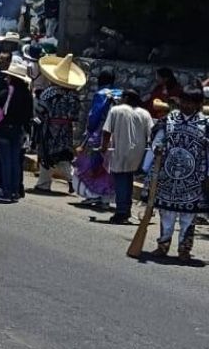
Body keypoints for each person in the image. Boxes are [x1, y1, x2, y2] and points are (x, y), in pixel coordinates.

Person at [148, 87, 209, 260]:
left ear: (199, 104)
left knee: (188, 217)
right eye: (183, 101)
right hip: (168, 177)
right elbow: (158, 138)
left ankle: (184, 249)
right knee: (166, 214)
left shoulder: (206, 124)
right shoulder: (170, 119)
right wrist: (157, 148)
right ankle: (163, 245)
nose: (185, 105)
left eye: (190, 102)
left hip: (193, 180)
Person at [33, 55, 86, 194]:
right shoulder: (74, 96)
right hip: (66, 129)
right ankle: (72, 181)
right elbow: (76, 115)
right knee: (64, 156)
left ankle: (44, 183)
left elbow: (40, 109)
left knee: (46, 155)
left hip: (50, 128)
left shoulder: (50, 92)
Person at [100, 90, 154, 224]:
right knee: (128, 180)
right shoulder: (144, 113)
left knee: (121, 180)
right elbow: (152, 134)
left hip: (121, 151)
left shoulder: (116, 110)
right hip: (138, 154)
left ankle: (122, 212)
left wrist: (103, 147)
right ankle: (125, 209)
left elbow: (107, 131)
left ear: (126, 98)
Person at [73, 71, 122, 207]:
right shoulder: (120, 94)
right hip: (118, 135)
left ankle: (94, 194)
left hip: (100, 132)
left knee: (91, 163)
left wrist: (89, 130)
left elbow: (94, 115)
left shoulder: (101, 94)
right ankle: (107, 197)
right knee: (109, 166)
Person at [0, 60, 33, 203]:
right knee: (15, 162)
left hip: (4, 129)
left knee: (5, 161)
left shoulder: (7, 92)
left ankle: (6, 192)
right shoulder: (27, 94)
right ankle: (14, 191)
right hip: (19, 130)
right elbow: (29, 115)